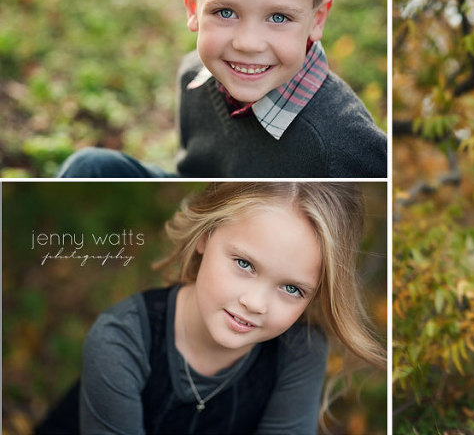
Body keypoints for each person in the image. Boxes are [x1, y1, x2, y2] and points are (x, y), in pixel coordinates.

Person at [35, 182, 386, 434]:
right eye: (244, 264)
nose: (255, 303)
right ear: (205, 234)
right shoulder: (121, 342)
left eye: (292, 288)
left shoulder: (299, 350)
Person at [57, 0, 386, 178]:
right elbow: (192, 177)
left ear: (317, 19)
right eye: (226, 12)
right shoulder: (195, 76)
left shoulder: (344, 140)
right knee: (91, 167)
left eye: (278, 17)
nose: (247, 43)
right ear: (192, 8)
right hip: (206, 214)